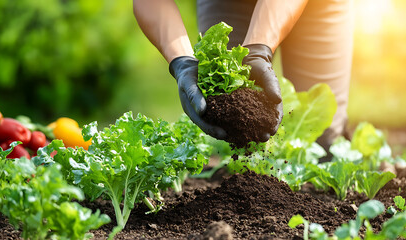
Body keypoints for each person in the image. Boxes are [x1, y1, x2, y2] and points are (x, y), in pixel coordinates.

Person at [133, 0, 354, 154]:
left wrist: (258, 48)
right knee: (232, 121)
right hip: (229, 2)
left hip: (319, 5)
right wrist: (181, 62)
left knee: (321, 141)